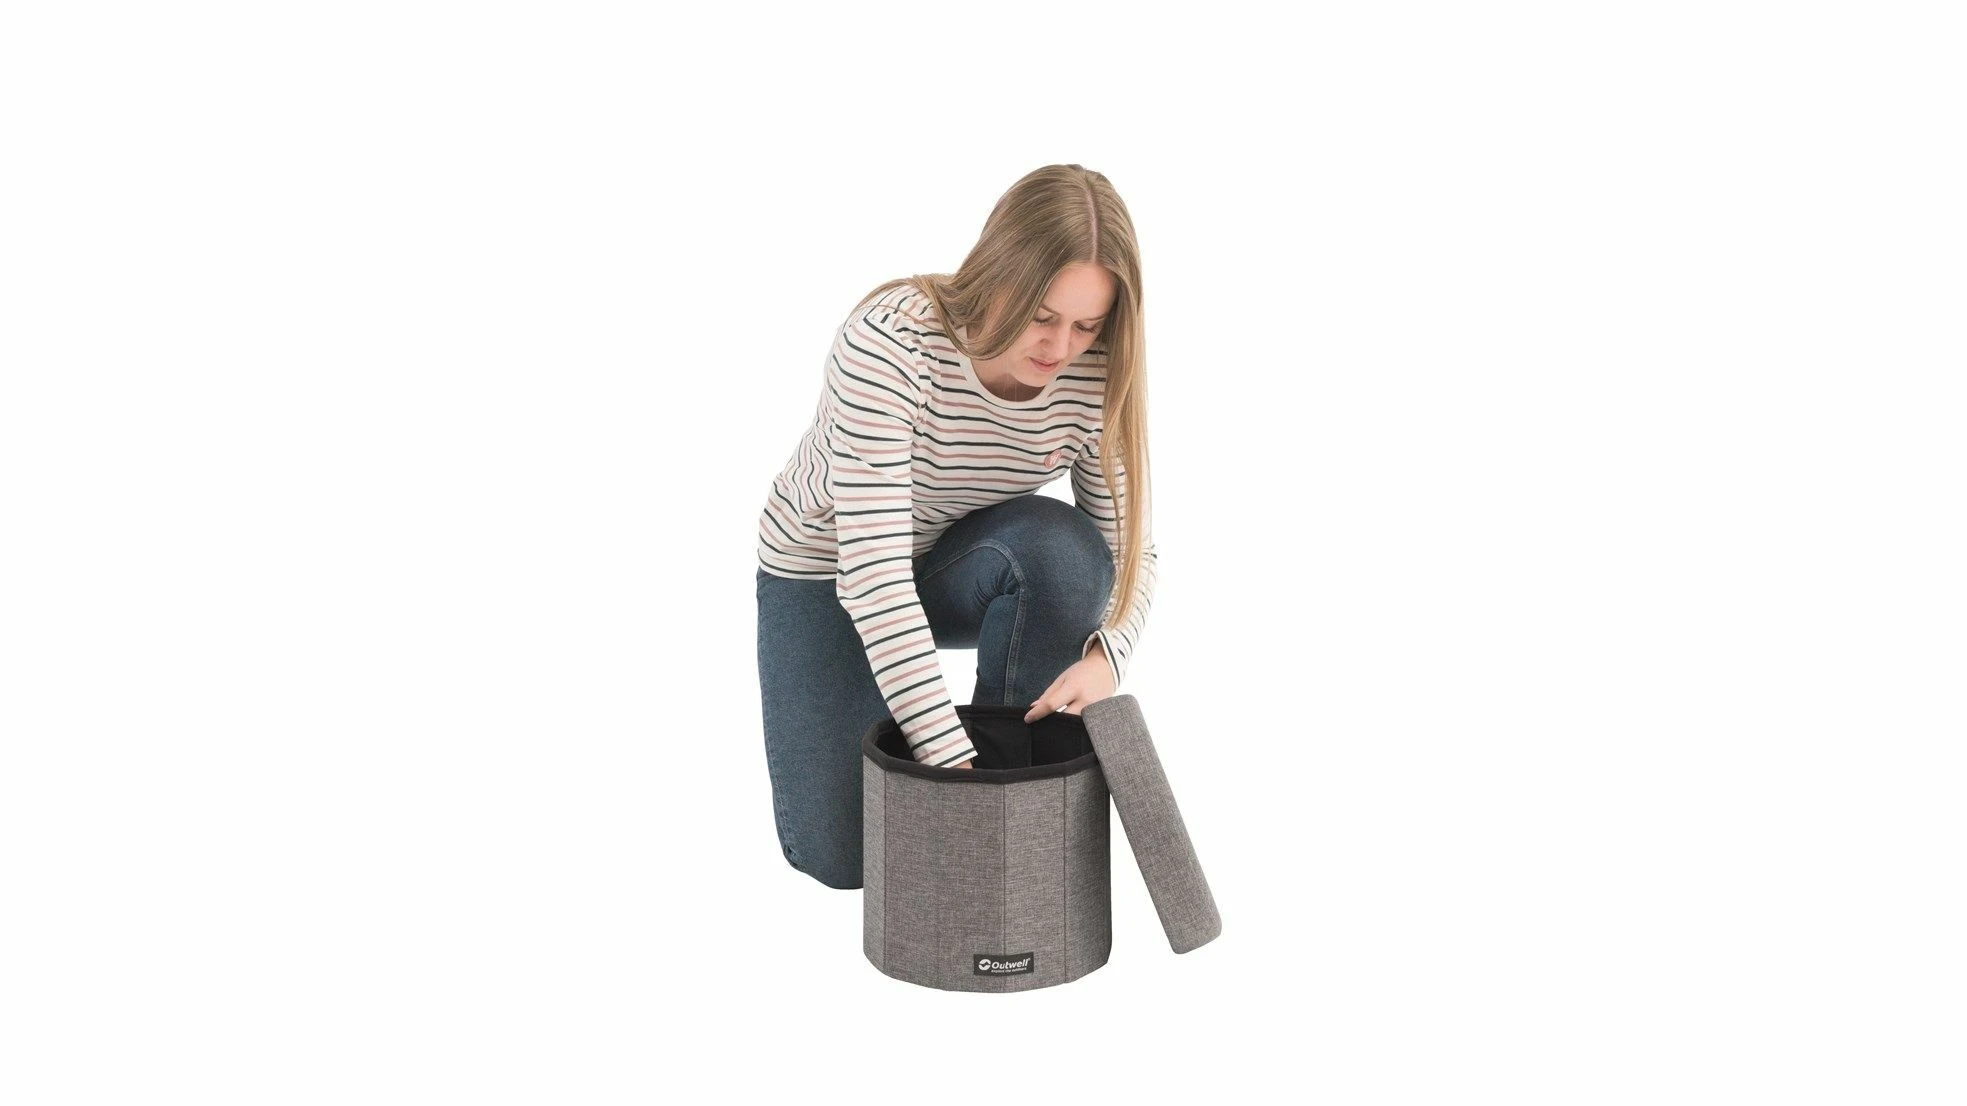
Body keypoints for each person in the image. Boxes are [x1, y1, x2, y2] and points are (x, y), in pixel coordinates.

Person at [753, 164, 1159, 890]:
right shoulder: (891, 342)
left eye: (1086, 325)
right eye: (1041, 315)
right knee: (852, 858)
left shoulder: (1097, 373)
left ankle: (1016, 780)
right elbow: (874, 578)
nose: (1060, 347)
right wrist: (948, 764)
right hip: (830, 567)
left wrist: (1108, 657)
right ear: (998, 274)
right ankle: (970, 781)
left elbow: (1134, 554)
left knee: (1067, 555)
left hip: (954, 563)